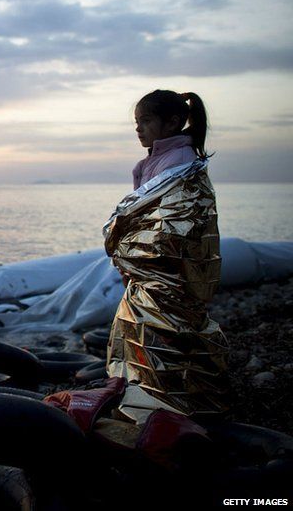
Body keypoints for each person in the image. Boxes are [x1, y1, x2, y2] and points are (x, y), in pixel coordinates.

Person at [103, 90, 229, 424]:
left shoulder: (180, 163)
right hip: (147, 270)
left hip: (167, 271)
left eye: (146, 121)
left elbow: (176, 225)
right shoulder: (153, 162)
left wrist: (134, 250)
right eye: (137, 122)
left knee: (164, 330)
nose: (138, 129)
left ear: (172, 122)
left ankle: (171, 403)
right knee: (143, 330)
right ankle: (149, 396)